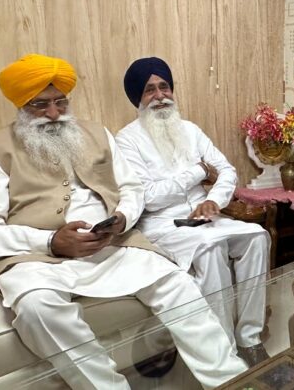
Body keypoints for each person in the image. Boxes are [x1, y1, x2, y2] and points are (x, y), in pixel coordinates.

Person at [0, 54, 247, 389]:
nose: (54, 113)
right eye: (40, 105)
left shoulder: (97, 134)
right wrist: (51, 241)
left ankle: (232, 381)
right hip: (37, 259)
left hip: (112, 245)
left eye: (60, 102)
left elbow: (132, 189)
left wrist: (122, 218)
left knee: (177, 283)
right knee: (37, 308)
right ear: (21, 105)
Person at [115, 57, 271, 366]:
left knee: (256, 235)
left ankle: (249, 338)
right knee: (210, 249)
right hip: (163, 224)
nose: (160, 96)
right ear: (138, 98)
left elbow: (226, 170)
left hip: (207, 218)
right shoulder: (126, 140)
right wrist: (198, 171)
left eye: (164, 87)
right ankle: (224, 350)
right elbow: (149, 198)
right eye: (149, 90)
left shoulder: (190, 130)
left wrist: (215, 200)